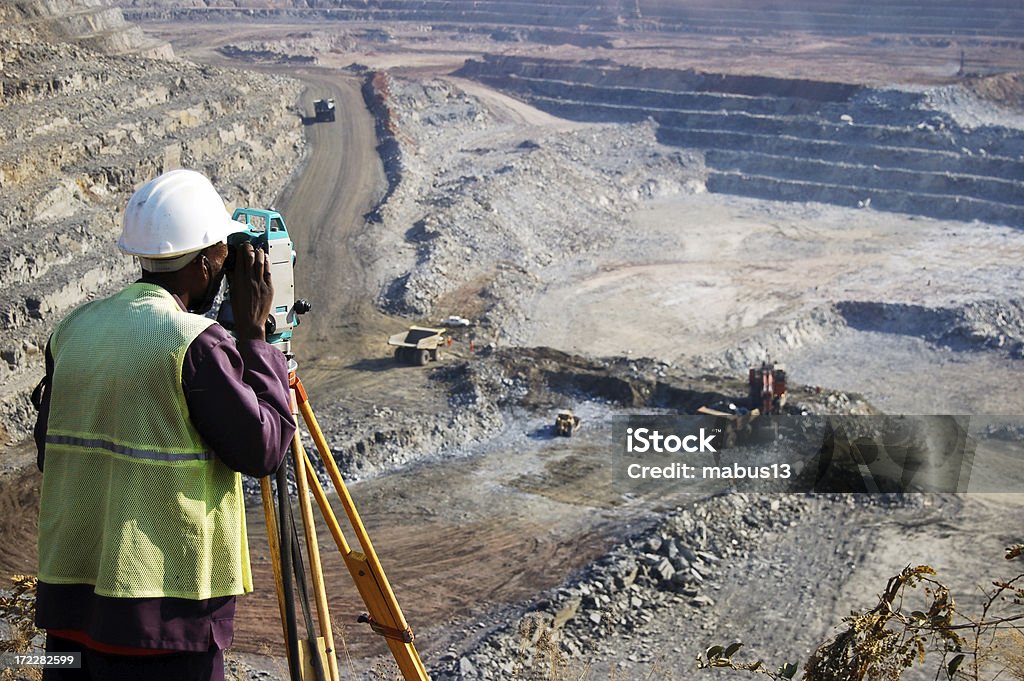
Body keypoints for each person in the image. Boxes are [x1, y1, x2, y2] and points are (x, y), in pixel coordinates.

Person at [32, 168, 296, 681]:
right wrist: (257, 341)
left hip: (70, 614)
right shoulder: (195, 343)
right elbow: (264, 450)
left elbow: (51, 449)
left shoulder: (74, 329)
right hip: (164, 623)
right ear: (203, 264)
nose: (229, 265)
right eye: (223, 254)